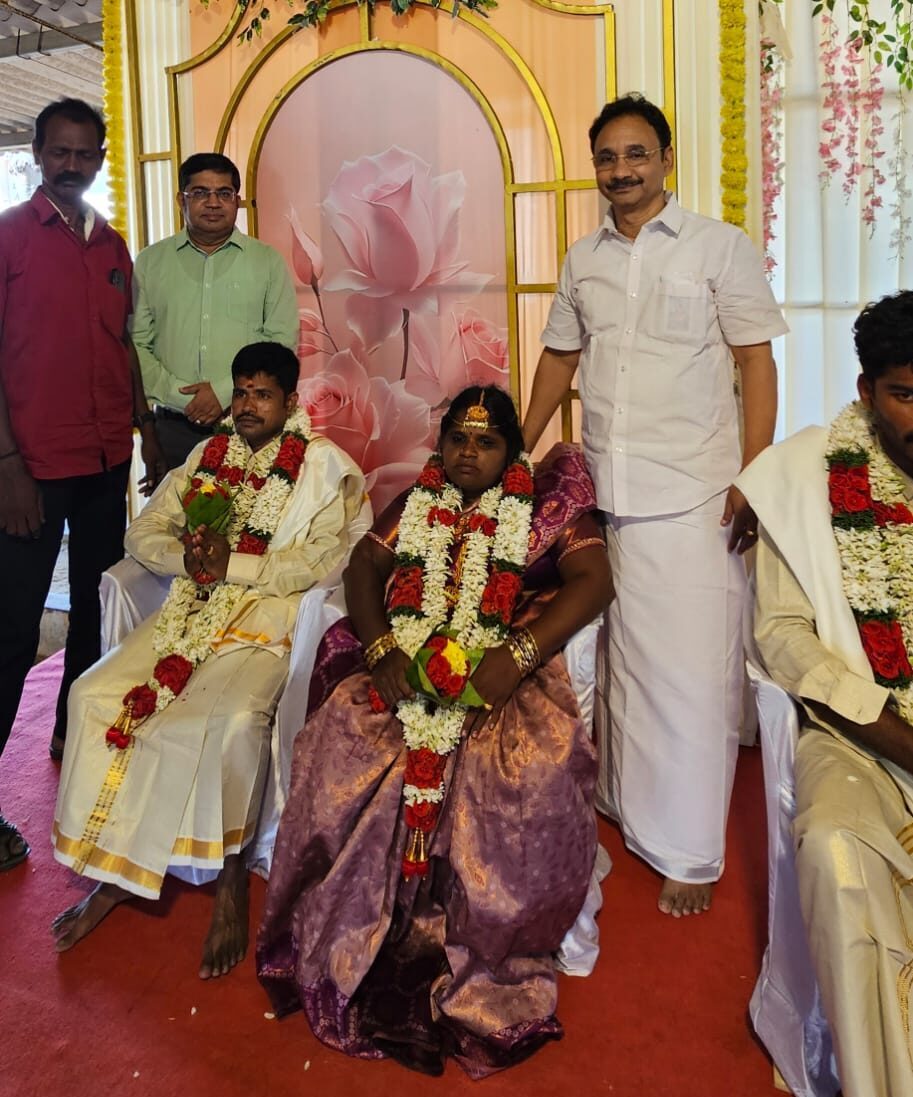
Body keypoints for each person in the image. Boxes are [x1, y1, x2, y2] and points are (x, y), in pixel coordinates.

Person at [257, 385, 612, 1077]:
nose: (468, 453)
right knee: (344, 739)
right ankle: (362, 923)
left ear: (512, 452)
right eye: (457, 439)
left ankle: (478, 935)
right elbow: (366, 564)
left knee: (515, 767)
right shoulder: (420, 499)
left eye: (485, 442)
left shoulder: (546, 508)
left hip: (503, 667)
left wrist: (515, 655)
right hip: (410, 661)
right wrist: (382, 647)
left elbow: (594, 580)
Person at [522, 93, 787, 917]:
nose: (621, 170)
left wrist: (753, 472)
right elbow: (559, 359)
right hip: (609, 492)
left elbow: (754, 360)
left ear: (666, 159)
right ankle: (628, 807)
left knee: (690, 676)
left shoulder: (717, 246)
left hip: (694, 494)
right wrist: (518, 450)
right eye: (607, 157)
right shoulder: (582, 259)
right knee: (625, 668)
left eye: (636, 153)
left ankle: (690, 850)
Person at [50, 342, 365, 979]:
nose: (247, 406)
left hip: (264, 624)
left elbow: (322, 562)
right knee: (90, 697)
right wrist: (190, 560)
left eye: (263, 395)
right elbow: (143, 531)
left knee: (232, 722)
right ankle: (111, 871)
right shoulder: (206, 456)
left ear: (290, 402)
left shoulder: (325, 469)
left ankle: (229, 882)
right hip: (186, 615)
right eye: (241, 392)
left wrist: (235, 566)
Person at [738, 291, 913, 1097]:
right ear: (865, 390)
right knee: (837, 851)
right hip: (858, 738)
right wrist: (891, 730)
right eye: (904, 394)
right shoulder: (804, 479)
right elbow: (781, 634)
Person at [0, 98, 165, 872]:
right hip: (30, 469)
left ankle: (75, 736)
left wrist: (144, 428)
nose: (71, 165)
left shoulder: (112, 243)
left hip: (104, 462)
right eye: (58, 151)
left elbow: (122, 345)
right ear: (37, 153)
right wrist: (7, 465)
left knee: (98, 612)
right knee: (11, 631)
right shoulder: (9, 237)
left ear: (101, 158)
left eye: (84, 153)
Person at [130, 152, 298, 469]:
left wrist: (224, 393)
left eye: (224, 193)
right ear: (181, 199)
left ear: (237, 201)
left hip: (250, 425)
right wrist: (180, 397)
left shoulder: (267, 262)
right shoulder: (150, 263)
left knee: (255, 502)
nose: (213, 203)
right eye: (200, 193)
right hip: (173, 428)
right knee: (174, 502)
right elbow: (136, 343)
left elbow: (281, 342)